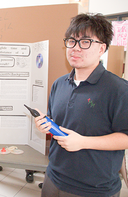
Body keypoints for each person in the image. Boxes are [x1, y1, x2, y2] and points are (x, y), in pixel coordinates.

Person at [33, 13, 128, 197]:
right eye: (71, 41)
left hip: (94, 188)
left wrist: (83, 142)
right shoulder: (59, 84)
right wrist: (46, 124)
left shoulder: (119, 89)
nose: (75, 48)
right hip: (53, 177)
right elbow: (59, 122)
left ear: (102, 48)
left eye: (85, 42)